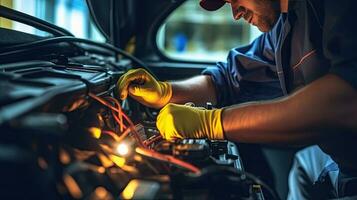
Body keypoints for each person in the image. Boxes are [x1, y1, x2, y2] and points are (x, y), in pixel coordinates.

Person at [117, 0, 357, 199]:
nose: (235, 13)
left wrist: (211, 124)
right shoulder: (284, 27)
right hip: (337, 158)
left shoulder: (336, 7)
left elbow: (344, 100)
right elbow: (225, 80)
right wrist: (165, 92)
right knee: (303, 167)